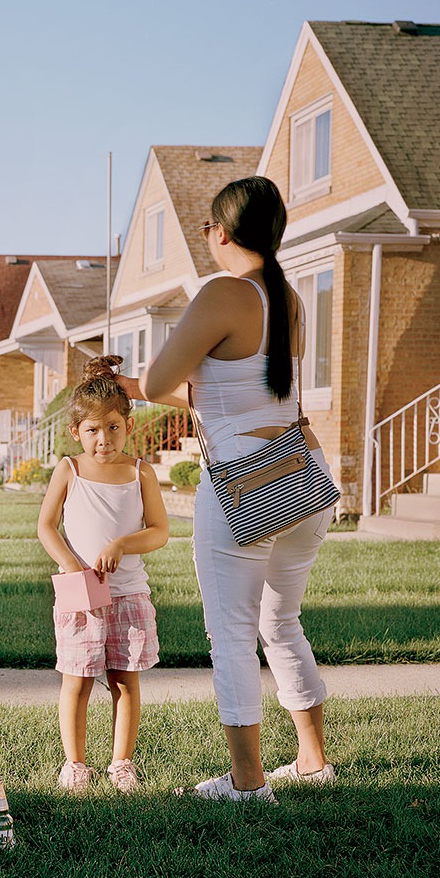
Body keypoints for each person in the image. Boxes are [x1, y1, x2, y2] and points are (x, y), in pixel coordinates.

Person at [118, 175, 337, 802]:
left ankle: (247, 782)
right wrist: (141, 386)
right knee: (281, 619)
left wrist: (136, 384)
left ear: (219, 233)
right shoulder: (287, 297)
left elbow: (164, 380)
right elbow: (236, 391)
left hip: (244, 487)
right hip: (302, 474)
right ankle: (313, 760)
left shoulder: (222, 292)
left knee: (232, 631)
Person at [36, 356, 169, 793]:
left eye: (113, 427)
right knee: (77, 681)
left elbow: (159, 531)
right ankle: (75, 764)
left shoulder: (140, 472)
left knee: (124, 682)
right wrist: (72, 565)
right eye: (92, 430)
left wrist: (121, 545)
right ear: (76, 432)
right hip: (81, 595)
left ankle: (121, 763)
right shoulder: (69, 469)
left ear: (128, 426)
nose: (104, 439)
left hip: (128, 594)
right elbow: (45, 525)